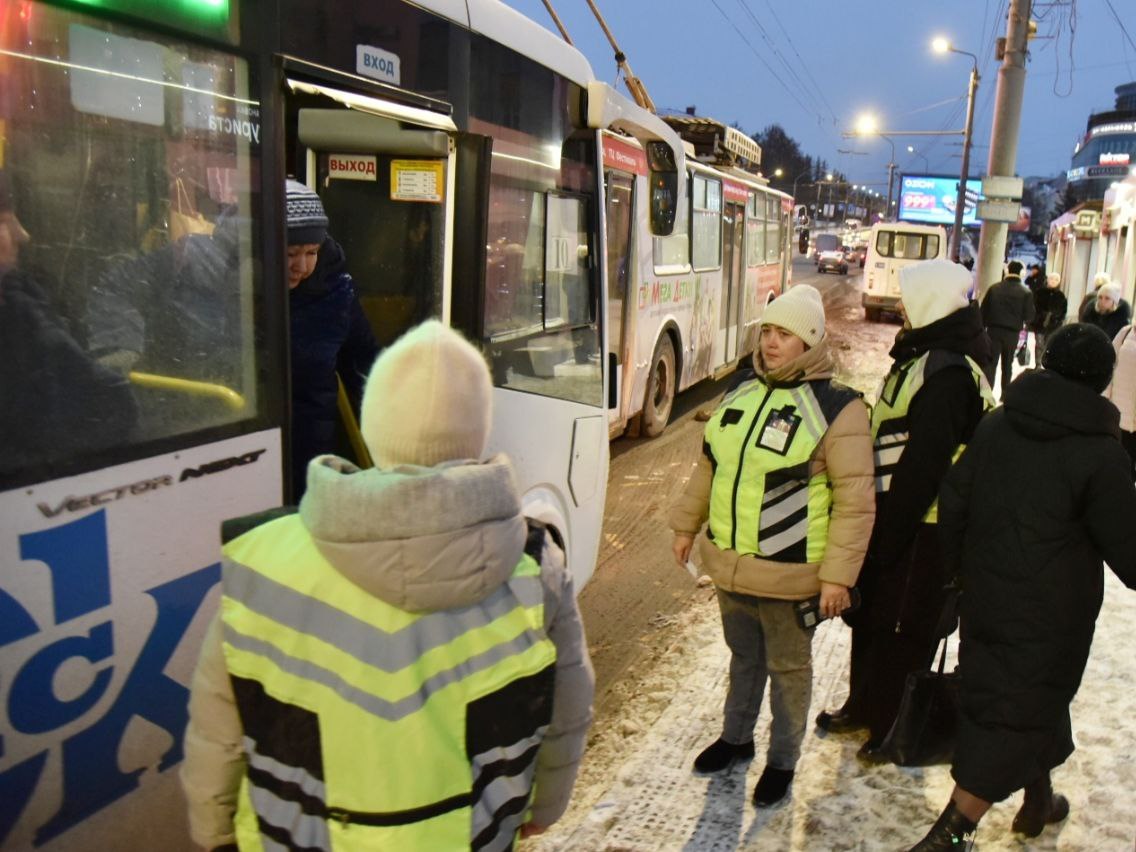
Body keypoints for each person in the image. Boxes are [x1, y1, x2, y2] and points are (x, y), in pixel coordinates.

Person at [180, 320, 594, 850]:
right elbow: (568, 706)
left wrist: (215, 832)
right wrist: (545, 805)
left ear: (374, 432)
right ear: (476, 437)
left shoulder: (262, 561)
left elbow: (219, 723)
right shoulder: (537, 569)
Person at [908, 324, 1136, 850]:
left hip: (987, 597)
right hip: (1053, 618)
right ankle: (951, 833)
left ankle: (1039, 800)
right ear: (1103, 379)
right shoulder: (1101, 455)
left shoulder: (998, 424)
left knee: (1026, 701)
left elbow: (955, 500)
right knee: (1014, 714)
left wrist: (959, 574)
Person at [669, 284, 875, 807]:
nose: (771, 342)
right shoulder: (741, 389)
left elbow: (856, 503)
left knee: (789, 672)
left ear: (809, 342)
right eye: (767, 330)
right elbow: (709, 467)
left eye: (784, 333)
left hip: (791, 575)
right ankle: (736, 740)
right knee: (743, 659)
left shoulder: (837, 408)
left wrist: (837, 578)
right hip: (731, 565)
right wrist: (684, 526)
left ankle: (782, 762)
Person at [816, 259, 994, 761]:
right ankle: (863, 705)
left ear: (932, 305)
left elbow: (925, 467)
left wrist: (889, 534)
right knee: (871, 612)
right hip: (893, 516)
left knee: (903, 625)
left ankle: (894, 723)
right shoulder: (924, 357)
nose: (900, 308)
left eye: (909, 299)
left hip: (924, 527)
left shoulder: (950, 373)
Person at [0, 170, 138, 476]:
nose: (22, 235)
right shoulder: (21, 313)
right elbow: (106, 406)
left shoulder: (25, 296)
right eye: (3, 220)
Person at [284, 179, 379, 497]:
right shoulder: (227, 283)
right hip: (246, 444)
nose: (302, 266)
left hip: (312, 447)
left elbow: (365, 360)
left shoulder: (336, 294)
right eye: (290, 253)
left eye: (311, 252)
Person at [980, 260, 1035, 400]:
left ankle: (987, 394)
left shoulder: (994, 288)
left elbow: (983, 311)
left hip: (993, 331)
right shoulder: (1026, 292)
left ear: (1007, 270)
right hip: (1012, 333)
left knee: (991, 364)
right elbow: (1029, 315)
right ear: (1021, 273)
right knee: (1007, 364)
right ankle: (1005, 395)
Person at [1105, 315, 1136, 480]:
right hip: (1121, 411)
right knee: (1122, 465)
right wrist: (1106, 399)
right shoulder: (1125, 333)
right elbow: (1111, 365)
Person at [1030, 271, 1067, 363]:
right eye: (1051, 279)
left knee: (1049, 344)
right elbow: (1033, 307)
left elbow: (1063, 311)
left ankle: (1044, 363)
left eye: (1056, 279)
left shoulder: (1061, 296)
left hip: (1053, 325)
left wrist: (1057, 319)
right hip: (1039, 323)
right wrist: (1038, 316)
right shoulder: (1039, 293)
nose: (1053, 281)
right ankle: (1038, 363)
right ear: (1047, 280)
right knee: (1039, 343)